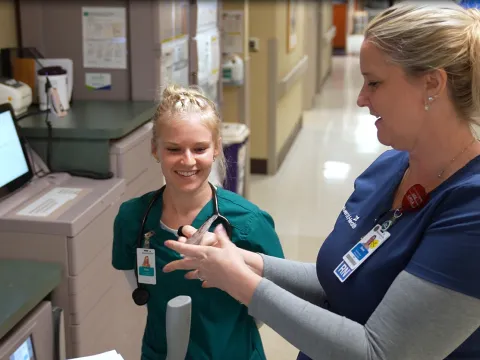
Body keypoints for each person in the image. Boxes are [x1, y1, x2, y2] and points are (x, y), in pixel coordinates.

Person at [162, 3, 480, 359]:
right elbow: (343, 281)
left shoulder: (471, 209)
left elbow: (380, 353)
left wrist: (240, 281)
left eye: (374, 82)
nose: (360, 98)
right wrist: (243, 260)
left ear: (432, 83)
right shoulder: (391, 166)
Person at [111, 84, 284, 360]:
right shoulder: (133, 219)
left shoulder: (247, 223)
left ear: (216, 148)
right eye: (174, 148)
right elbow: (139, 289)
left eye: (199, 148)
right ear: (155, 149)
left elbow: (271, 305)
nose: (188, 160)